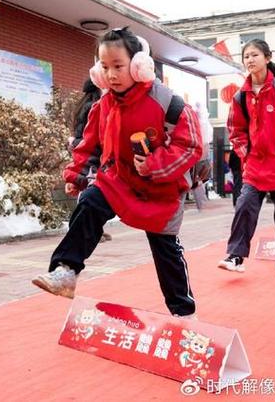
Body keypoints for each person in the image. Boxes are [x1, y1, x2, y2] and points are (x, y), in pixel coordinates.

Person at [32, 27, 202, 318]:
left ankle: (184, 314)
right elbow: (89, 145)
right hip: (118, 182)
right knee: (90, 202)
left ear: (139, 65)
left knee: (166, 251)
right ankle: (67, 271)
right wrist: (76, 174)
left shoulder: (169, 103)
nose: (111, 75)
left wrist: (154, 164)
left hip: (161, 192)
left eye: (118, 66)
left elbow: (191, 146)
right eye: (105, 67)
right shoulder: (104, 105)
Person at [218, 39, 275, 274]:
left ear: (267, 58)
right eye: (246, 56)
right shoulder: (240, 97)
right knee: (244, 205)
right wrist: (245, 153)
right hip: (255, 165)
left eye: (255, 55)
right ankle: (235, 256)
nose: (250, 60)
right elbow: (235, 130)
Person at [68, 79, 112, 242]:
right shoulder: (94, 105)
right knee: (89, 189)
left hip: (81, 148)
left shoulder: (83, 104)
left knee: (88, 187)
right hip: (88, 150)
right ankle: (80, 229)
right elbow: (91, 134)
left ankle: (93, 229)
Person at [190, 102, 213, 211]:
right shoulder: (205, 124)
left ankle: (201, 203)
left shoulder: (197, 123)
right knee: (199, 180)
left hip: (197, 155)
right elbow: (207, 141)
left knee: (196, 180)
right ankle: (202, 203)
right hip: (202, 154)